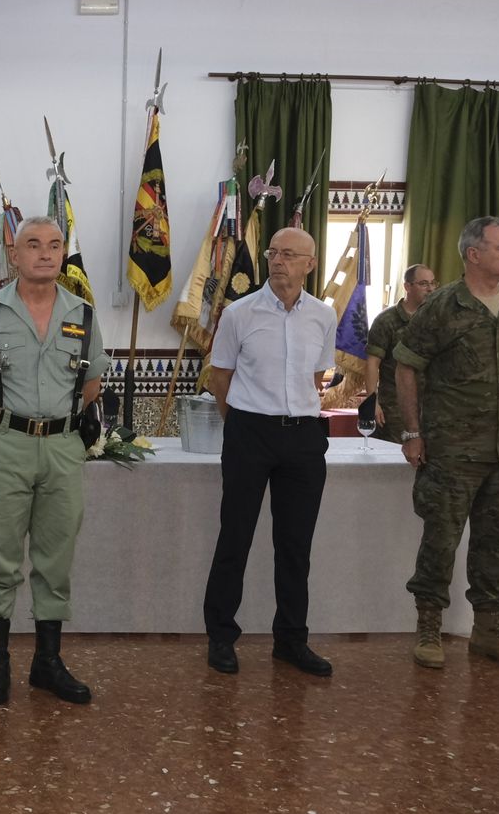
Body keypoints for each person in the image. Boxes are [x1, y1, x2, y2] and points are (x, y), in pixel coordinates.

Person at [393, 216, 499, 670]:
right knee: (441, 542)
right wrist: (411, 433)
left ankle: (489, 630)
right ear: (473, 254)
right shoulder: (443, 306)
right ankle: (429, 627)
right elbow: (407, 365)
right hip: (452, 451)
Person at [0, 217, 108, 706]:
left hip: (63, 447)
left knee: (55, 558)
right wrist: (5, 427)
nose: (45, 253)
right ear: (14, 255)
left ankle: (47, 663)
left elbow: (91, 386)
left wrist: (52, 429)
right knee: (0, 557)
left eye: (55, 245)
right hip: (6, 444)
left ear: (64, 254)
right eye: (33, 245)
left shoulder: (82, 313)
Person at [202, 227, 339, 677]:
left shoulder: (323, 315)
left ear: (310, 265)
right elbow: (219, 376)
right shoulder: (239, 313)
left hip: (302, 438)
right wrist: (239, 424)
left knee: (295, 546)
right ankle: (221, 637)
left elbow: (317, 377)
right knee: (234, 538)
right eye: (273, 252)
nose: (278, 261)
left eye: (289, 254)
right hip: (249, 432)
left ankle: (291, 640)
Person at [363, 264, 437, 442]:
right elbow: (372, 363)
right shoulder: (387, 320)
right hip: (395, 407)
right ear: (407, 286)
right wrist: (372, 401)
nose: (431, 289)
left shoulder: (436, 318)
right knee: (397, 460)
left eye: (434, 283)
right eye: (424, 284)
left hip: (432, 407)